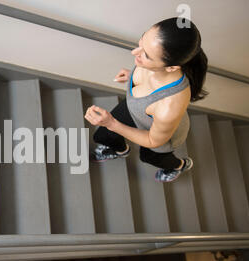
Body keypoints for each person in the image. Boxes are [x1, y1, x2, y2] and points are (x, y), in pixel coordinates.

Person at [84, 17, 208, 182]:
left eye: (147, 55)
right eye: (142, 42)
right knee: (102, 136)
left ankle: (179, 165)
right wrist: (131, 77)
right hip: (136, 110)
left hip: (158, 134)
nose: (135, 53)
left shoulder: (168, 106)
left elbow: (153, 140)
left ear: (171, 67)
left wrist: (111, 123)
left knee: (150, 157)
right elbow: (148, 80)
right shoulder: (153, 62)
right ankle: (120, 150)